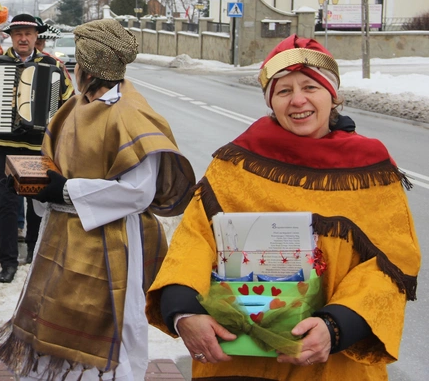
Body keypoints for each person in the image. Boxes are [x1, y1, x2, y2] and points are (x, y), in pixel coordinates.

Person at [146, 35, 421, 381]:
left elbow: (392, 262)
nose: (298, 100)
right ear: (270, 101)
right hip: (239, 364)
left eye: (310, 87)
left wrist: (336, 326)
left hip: (332, 368)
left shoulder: (371, 171)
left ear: (333, 95)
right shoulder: (235, 164)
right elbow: (194, 240)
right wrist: (184, 312)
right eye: (284, 90)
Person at [0, 18, 195, 380]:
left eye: (77, 64)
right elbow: (55, 164)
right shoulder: (75, 105)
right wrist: (33, 184)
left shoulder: (131, 113)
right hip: (61, 234)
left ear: (86, 67)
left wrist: (64, 190)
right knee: (54, 326)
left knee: (111, 343)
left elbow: (138, 192)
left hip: (112, 242)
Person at [0, 13, 74, 283]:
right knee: (7, 204)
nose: (23, 38)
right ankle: (7, 262)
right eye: (18, 34)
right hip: (4, 147)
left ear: (36, 36)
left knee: (38, 203)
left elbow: (68, 103)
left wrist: (56, 136)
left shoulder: (53, 66)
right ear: (11, 37)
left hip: (38, 147)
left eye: (28, 33)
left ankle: (34, 255)